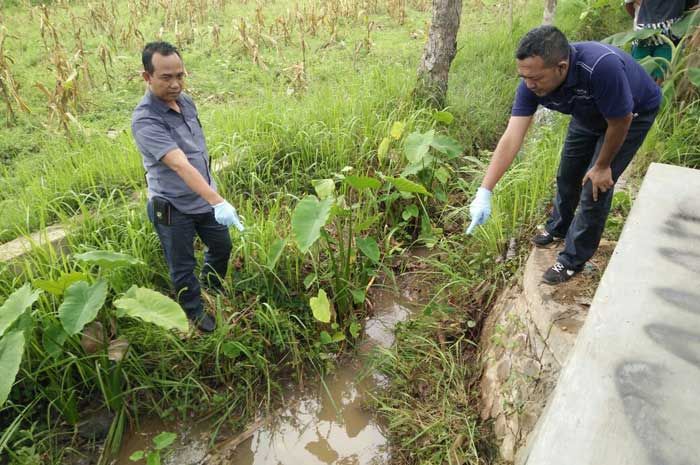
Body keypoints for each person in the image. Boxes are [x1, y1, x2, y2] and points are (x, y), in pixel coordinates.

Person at [467, 26, 661, 284]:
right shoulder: (530, 84)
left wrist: (603, 166)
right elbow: (512, 136)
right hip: (587, 114)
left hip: (631, 115)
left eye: (535, 78)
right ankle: (558, 226)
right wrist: (485, 190)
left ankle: (572, 259)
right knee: (568, 174)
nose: (528, 84)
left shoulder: (601, 68)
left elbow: (621, 120)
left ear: (561, 67)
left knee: (595, 187)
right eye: (523, 76)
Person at [131, 41, 244, 332]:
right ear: (147, 77)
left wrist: (211, 196)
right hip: (171, 206)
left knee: (222, 245)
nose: (175, 83)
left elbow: (197, 151)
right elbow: (180, 164)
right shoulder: (145, 120)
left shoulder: (186, 102)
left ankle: (212, 285)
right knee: (181, 266)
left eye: (179, 75)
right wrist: (218, 200)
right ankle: (193, 313)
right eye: (166, 77)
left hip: (203, 197)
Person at [625, 0, 698, 83]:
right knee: (637, 76)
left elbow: (692, 8)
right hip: (644, 35)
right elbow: (629, 4)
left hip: (668, 38)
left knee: (660, 78)